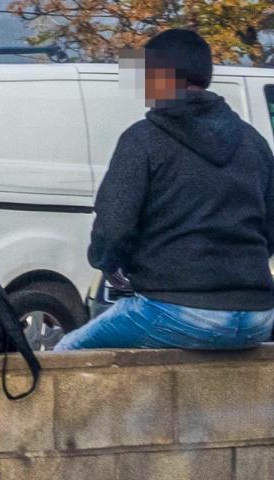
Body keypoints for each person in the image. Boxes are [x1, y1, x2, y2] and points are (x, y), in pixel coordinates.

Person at [57, 29, 274, 351]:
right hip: (259, 317)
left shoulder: (142, 139)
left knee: (67, 354)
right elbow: (270, 230)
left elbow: (113, 226)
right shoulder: (255, 142)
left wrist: (107, 263)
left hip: (176, 311)